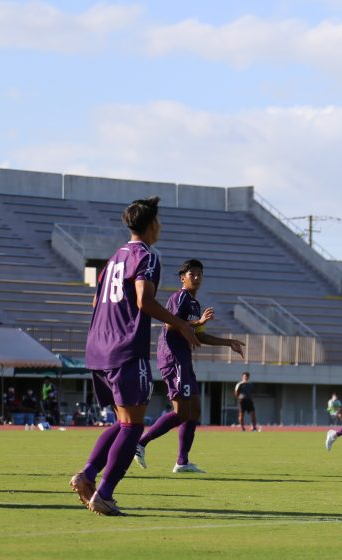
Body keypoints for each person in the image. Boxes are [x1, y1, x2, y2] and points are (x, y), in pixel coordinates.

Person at [69, 197, 200, 517]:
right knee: (133, 426)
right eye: (159, 220)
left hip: (97, 347)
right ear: (151, 224)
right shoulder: (147, 256)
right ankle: (104, 494)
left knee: (122, 421)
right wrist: (181, 324)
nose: (162, 226)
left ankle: (87, 476)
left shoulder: (114, 259)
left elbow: (95, 303)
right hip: (126, 349)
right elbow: (144, 300)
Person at [135, 259, 245, 473]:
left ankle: (182, 462)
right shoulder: (180, 297)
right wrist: (198, 322)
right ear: (182, 278)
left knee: (194, 410)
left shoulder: (194, 304)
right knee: (182, 412)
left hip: (184, 359)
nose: (196, 277)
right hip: (173, 357)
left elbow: (199, 336)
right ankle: (140, 443)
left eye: (199, 274)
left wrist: (228, 342)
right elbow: (170, 324)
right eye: (192, 274)